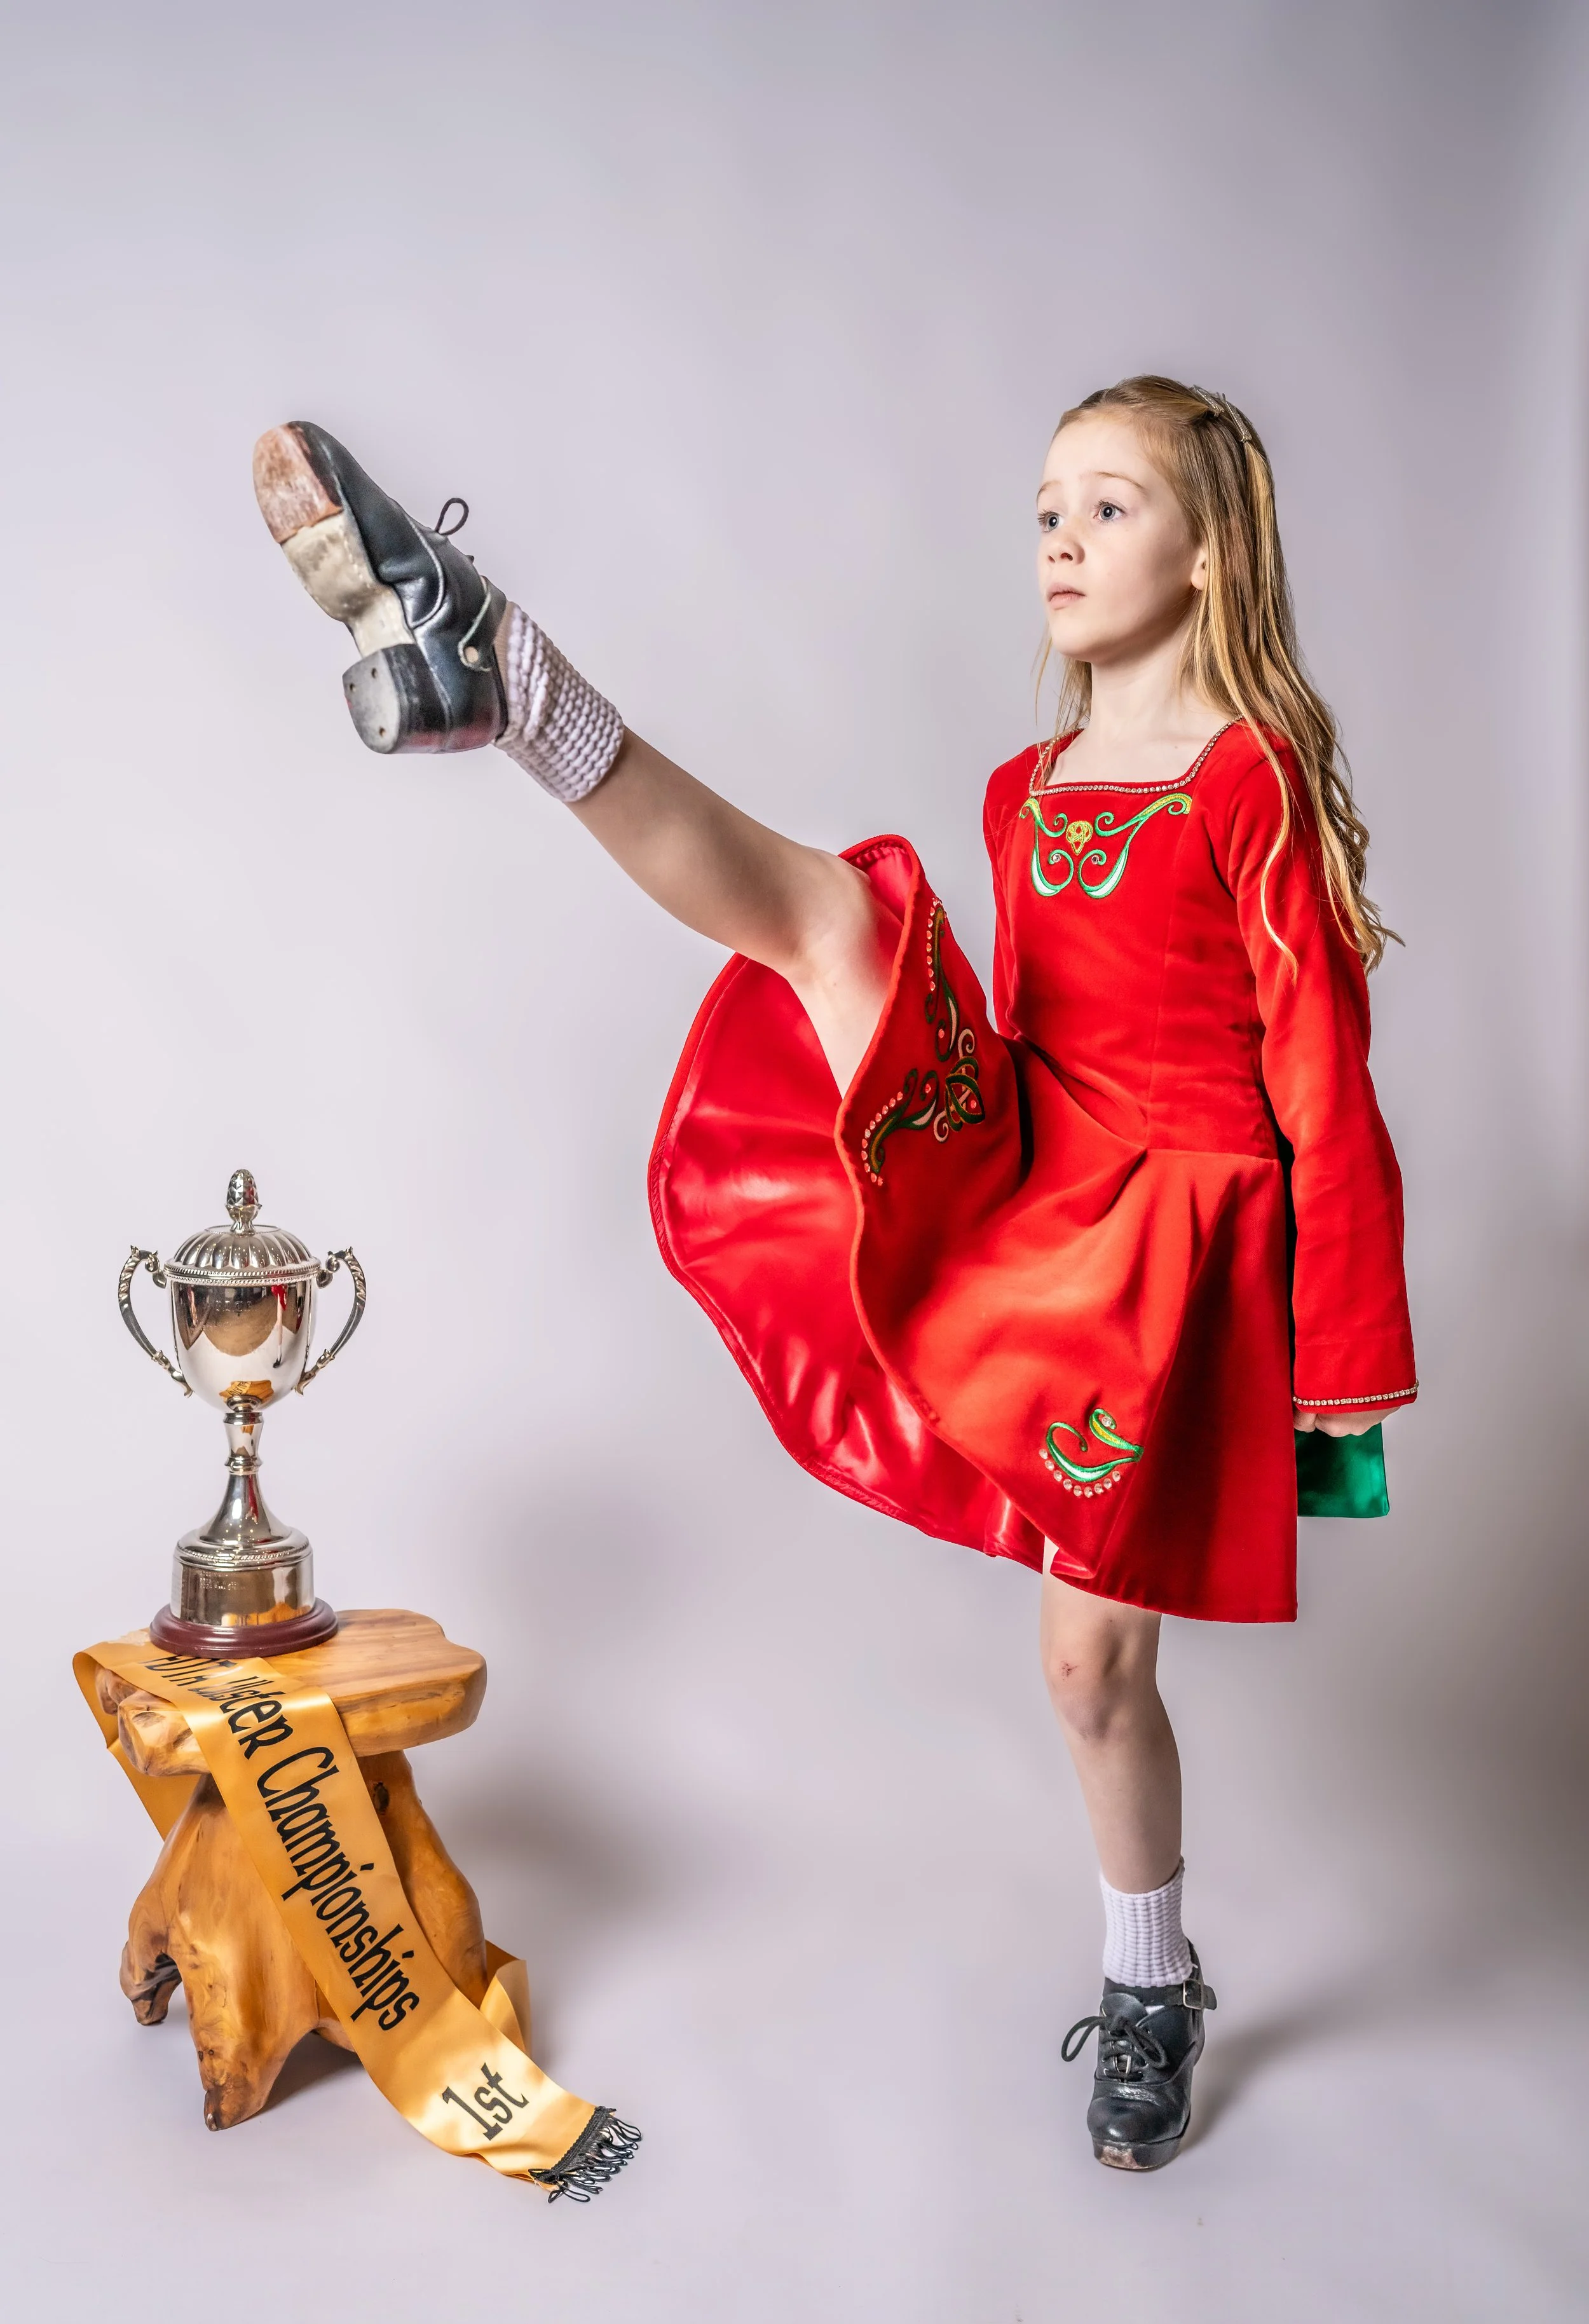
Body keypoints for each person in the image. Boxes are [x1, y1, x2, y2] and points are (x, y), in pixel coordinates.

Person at [252, 376, 1416, 2171]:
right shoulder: (1022, 793)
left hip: (1174, 1241)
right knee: (830, 920)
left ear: (1209, 556)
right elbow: (1030, 1017)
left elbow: (1321, 1079)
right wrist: (934, 1100)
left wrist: (1333, 1342)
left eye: (1109, 507)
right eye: (1045, 505)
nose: (1059, 535)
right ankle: (507, 680)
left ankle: (1148, 1979)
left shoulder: (1244, 779)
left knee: (1090, 1674)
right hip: (1039, 1165)